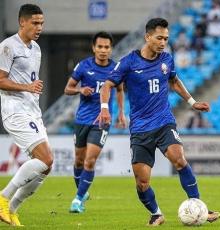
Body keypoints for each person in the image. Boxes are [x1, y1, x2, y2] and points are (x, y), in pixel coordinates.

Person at [97, 18, 220, 226]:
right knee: (142, 182)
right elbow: (107, 86)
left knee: (179, 159)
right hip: (140, 129)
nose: (163, 42)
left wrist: (192, 102)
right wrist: (105, 110)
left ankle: (200, 207)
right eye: (159, 38)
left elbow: (174, 81)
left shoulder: (167, 59)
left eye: (166, 38)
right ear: (147, 37)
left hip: (164, 122)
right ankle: (156, 213)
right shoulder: (129, 62)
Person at [0, 4, 53, 226]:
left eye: (41, 23)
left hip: (32, 111)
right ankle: (3, 198)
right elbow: (0, 80)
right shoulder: (7, 47)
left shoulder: (36, 49)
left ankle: (11, 210)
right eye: (35, 23)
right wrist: (28, 88)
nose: (39, 27)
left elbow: (30, 81)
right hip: (14, 110)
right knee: (45, 158)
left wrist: (31, 92)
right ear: (22, 22)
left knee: (46, 166)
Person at [64, 31, 126, 213]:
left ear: (111, 48)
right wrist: (80, 90)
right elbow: (67, 88)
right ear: (94, 48)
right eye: (100, 46)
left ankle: (77, 200)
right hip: (82, 119)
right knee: (78, 161)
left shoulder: (116, 69)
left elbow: (120, 90)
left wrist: (121, 113)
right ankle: (82, 193)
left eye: (107, 47)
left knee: (90, 161)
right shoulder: (83, 66)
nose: (103, 50)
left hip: (102, 120)